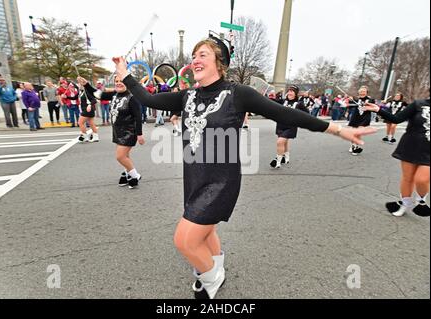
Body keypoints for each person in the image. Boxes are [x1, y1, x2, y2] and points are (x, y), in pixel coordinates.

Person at [112, 35, 376, 299]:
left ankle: (212, 276)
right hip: (194, 176)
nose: (195, 60)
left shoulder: (238, 94)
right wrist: (125, 74)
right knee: (206, 229)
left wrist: (338, 130)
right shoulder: (187, 96)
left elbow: (285, 114)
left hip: (221, 181)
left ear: (220, 61)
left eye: (202, 54)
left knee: (185, 240)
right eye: (194, 56)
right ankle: (216, 263)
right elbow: (148, 100)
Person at [364, 97, 430, 217]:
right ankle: (405, 204)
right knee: (407, 178)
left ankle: (421, 200)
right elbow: (397, 119)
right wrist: (378, 109)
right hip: (410, 145)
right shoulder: (418, 104)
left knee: (422, 179)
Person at [79, 76, 145, 189]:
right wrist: (86, 84)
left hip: (129, 132)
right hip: (117, 131)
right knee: (125, 155)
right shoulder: (114, 94)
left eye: (121, 82)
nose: (119, 83)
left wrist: (139, 134)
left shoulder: (132, 98)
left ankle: (134, 175)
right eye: (117, 81)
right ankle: (126, 173)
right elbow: (97, 94)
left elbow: (139, 117)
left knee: (120, 156)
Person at [269, 85, 309, 168]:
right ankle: (286, 157)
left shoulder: (299, 104)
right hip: (280, 125)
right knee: (285, 142)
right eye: (289, 91)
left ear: (295, 94)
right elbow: (271, 101)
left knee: (280, 142)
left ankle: (278, 161)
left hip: (291, 127)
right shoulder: (282, 101)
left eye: (292, 91)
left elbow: (307, 113)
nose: (290, 92)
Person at [347, 86, 376, 155]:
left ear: (366, 92)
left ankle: (355, 146)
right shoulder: (356, 99)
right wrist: (350, 100)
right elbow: (350, 106)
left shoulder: (370, 99)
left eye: (363, 91)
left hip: (365, 118)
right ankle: (353, 145)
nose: (362, 93)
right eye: (361, 91)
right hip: (355, 117)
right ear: (358, 92)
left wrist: (366, 105)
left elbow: (373, 107)